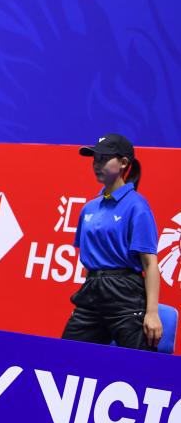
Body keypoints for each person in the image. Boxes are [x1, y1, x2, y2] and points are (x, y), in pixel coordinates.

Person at [61, 133, 162, 351]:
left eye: (104, 159)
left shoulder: (137, 206)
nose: (97, 165)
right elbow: (90, 264)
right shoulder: (89, 208)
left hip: (125, 293)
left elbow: (150, 264)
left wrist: (152, 313)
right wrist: (89, 295)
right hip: (92, 292)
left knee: (139, 364)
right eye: (95, 159)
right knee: (66, 357)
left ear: (124, 162)